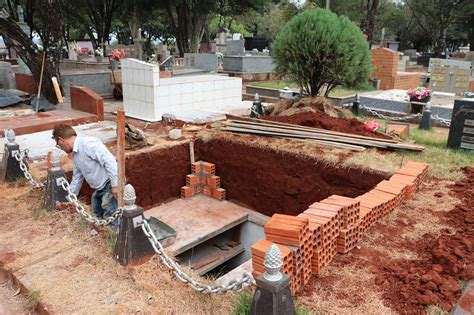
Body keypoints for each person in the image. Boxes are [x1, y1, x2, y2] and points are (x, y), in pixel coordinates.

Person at [52, 124, 119, 223]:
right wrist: (70, 198)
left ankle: (115, 234)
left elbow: (110, 162)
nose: (60, 148)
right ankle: (102, 233)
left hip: (109, 185)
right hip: (100, 188)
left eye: (58, 145)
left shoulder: (89, 144)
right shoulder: (75, 155)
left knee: (110, 212)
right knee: (96, 210)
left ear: (61, 140)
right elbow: (77, 178)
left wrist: (115, 185)